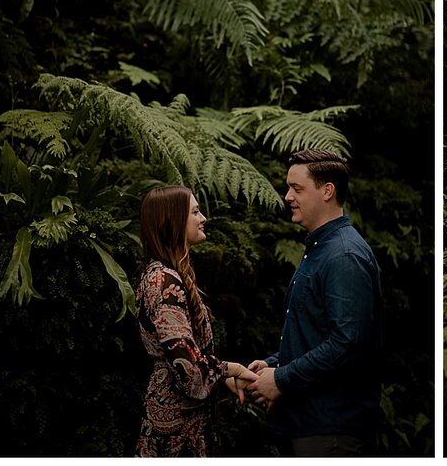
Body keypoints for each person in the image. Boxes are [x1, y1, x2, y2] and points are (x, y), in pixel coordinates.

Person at [247, 149, 383, 456]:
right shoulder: (321, 249)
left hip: (331, 429)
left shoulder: (344, 256)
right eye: (288, 188)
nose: (287, 197)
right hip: (308, 424)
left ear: (327, 191)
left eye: (297, 189)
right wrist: (273, 363)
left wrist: (280, 379)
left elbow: (347, 343)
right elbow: (316, 333)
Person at [134, 185, 258, 457]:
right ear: (173, 220)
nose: (203, 218)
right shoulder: (163, 281)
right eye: (195, 212)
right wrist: (231, 369)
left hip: (186, 421)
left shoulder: (170, 274)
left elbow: (188, 356)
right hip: (175, 428)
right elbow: (186, 367)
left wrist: (220, 379)